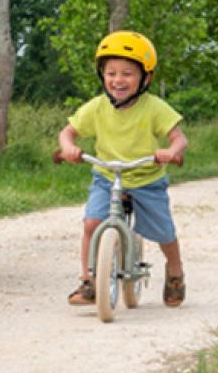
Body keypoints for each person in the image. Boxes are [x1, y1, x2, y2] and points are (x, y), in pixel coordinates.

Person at [58, 30, 188, 308]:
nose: (118, 80)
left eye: (127, 73)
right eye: (111, 73)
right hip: (107, 176)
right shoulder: (97, 107)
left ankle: (175, 270)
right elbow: (67, 132)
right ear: (102, 76)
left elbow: (179, 138)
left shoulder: (154, 107)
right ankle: (89, 281)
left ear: (146, 78)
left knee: (164, 232)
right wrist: (68, 147)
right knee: (92, 223)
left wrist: (171, 151)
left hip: (146, 178)